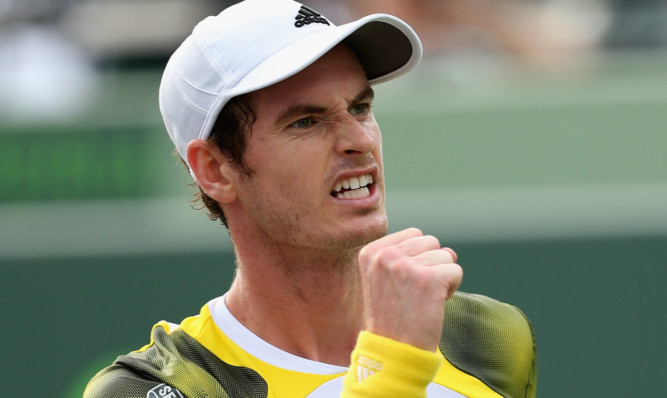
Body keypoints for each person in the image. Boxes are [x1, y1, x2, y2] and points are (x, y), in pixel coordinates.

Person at [84, 0, 536, 397]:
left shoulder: (487, 335)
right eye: (306, 122)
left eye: (360, 107)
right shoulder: (161, 387)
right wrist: (393, 362)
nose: (359, 139)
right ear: (215, 170)